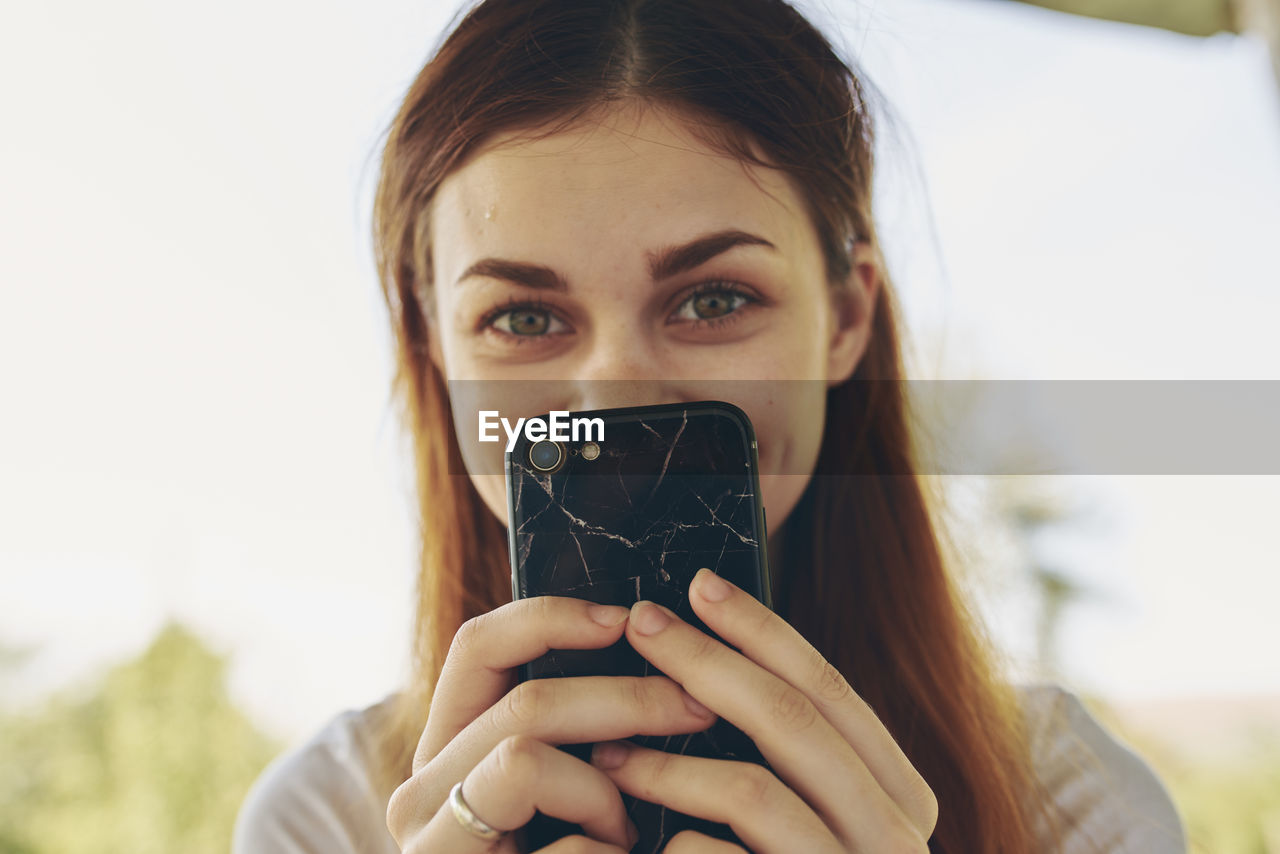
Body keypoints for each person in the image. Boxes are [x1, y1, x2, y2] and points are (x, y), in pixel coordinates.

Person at [233, 0, 1188, 851]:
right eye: (523, 320)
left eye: (714, 300)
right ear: (433, 347)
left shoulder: (1073, 803)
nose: (613, 403)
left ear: (846, 319)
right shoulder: (322, 820)